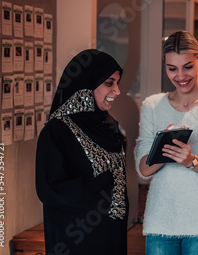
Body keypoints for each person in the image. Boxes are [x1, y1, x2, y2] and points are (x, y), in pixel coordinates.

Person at [135, 31, 198, 255]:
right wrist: (163, 148)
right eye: (172, 68)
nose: (180, 75)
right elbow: (144, 169)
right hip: (161, 221)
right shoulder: (152, 106)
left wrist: (190, 160)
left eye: (188, 66)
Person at [35, 49, 128, 255]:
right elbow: (49, 188)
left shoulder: (112, 126)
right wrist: (104, 187)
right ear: (87, 84)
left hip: (112, 236)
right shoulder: (57, 131)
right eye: (109, 83)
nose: (117, 91)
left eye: (117, 83)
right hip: (73, 239)